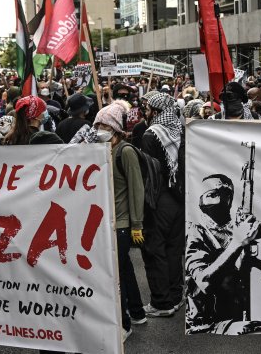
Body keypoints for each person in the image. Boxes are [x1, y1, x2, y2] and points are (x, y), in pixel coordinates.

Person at [185, 174, 261, 334]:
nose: (221, 199)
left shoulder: (234, 229)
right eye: (213, 194)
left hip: (235, 314)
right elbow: (205, 282)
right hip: (206, 322)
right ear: (200, 200)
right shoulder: (194, 231)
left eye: (227, 193)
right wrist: (240, 241)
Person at [94, 102, 147, 341]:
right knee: (124, 270)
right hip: (109, 221)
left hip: (123, 225)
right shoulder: (102, 148)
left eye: (104, 125)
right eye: (98, 124)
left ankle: (124, 325)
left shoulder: (125, 151)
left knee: (117, 276)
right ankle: (137, 312)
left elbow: (137, 190)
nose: (99, 129)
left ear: (115, 127)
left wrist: (137, 225)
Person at [140, 92, 185, 317]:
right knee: (174, 250)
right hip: (179, 199)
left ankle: (162, 303)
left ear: (156, 112)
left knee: (155, 249)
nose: (145, 113)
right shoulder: (180, 129)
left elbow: (149, 175)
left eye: (148, 109)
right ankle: (176, 296)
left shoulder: (151, 135)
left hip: (159, 200)